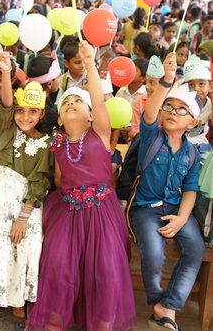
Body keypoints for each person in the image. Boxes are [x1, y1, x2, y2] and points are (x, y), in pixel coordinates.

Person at [27, 41, 136, 331]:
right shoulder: (58, 144)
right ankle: (53, 322)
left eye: (78, 101)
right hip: (69, 211)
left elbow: (99, 101)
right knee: (58, 266)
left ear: (89, 115)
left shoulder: (99, 134)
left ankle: (101, 323)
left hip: (102, 213)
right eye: (66, 103)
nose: (72, 103)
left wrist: (90, 64)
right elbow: (61, 179)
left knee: (106, 269)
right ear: (60, 119)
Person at [129, 53, 205, 331]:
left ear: (193, 122)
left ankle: (169, 306)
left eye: (181, 110)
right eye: (169, 107)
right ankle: (159, 304)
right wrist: (167, 81)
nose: (173, 112)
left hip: (174, 211)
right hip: (146, 210)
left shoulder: (192, 154)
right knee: (154, 254)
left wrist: (182, 219)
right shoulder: (152, 137)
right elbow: (149, 113)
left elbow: (191, 189)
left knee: (195, 248)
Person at [0, 48, 51, 329]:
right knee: (1, 243)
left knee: (29, 243)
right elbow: (7, 103)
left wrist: (24, 216)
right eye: (22, 110)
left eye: (32, 112)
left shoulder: (46, 142)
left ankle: (23, 296)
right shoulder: (8, 126)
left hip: (28, 202)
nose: (25, 116)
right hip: (2, 195)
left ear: (42, 113)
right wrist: (7, 70)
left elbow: (40, 181)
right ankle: (8, 298)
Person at [129, 55, 165, 141]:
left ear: (163, 86)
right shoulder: (140, 102)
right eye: (147, 82)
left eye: (152, 83)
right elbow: (134, 130)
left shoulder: (168, 104)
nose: (147, 86)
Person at [183, 55, 212, 161]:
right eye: (191, 85)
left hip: (202, 145)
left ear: (210, 87)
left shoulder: (209, 104)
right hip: (182, 143)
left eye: (201, 84)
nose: (196, 89)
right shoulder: (182, 104)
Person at [26, 54, 61, 134]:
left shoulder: (29, 96)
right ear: (49, 84)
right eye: (59, 76)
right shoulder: (48, 113)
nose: (61, 78)